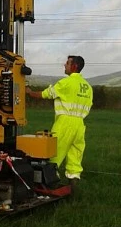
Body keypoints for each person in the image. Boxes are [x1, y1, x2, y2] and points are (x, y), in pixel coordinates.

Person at [26, 55, 93, 183]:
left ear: (74, 66)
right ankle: (73, 186)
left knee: (53, 153)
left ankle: (48, 185)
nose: (64, 65)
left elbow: (46, 94)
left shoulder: (66, 83)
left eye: (67, 63)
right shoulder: (88, 87)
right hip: (80, 124)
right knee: (75, 156)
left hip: (64, 123)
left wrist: (29, 92)